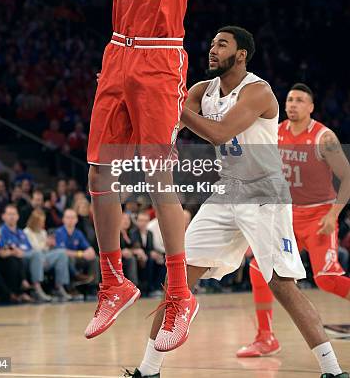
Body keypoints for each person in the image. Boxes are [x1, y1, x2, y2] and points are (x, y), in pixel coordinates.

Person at [54, 0, 204, 348]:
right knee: (99, 174)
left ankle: (179, 294)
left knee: (159, 178)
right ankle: (114, 281)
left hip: (161, 60)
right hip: (117, 54)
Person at [127, 27, 348, 378]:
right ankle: (147, 370)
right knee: (178, 278)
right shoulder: (202, 90)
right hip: (227, 191)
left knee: (281, 285)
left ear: (241, 53)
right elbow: (171, 121)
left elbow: (217, 132)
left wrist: (172, 103)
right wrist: (136, 93)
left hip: (265, 195)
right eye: (212, 43)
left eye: (222, 44)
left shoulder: (258, 91)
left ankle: (332, 370)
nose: (212, 49)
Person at [237, 83, 350, 357]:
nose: (292, 104)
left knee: (326, 278)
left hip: (318, 216)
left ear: (311, 107)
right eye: (289, 100)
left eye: (300, 100)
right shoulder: (275, 132)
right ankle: (265, 337)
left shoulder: (324, 137)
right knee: (258, 270)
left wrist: (333, 214)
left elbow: (347, 177)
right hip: (284, 216)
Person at [0, 204, 51, 302]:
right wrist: (13, 252)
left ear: (18, 216)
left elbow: (29, 248)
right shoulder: (1, 231)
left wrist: (22, 252)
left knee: (37, 254)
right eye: (9, 214)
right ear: (3, 216)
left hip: (25, 257)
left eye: (14, 214)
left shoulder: (21, 232)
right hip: (12, 259)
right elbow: (2, 249)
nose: (12, 217)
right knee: (36, 254)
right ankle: (36, 287)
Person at [24, 209, 72, 301]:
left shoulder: (43, 232)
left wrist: (49, 245)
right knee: (37, 254)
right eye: (41, 222)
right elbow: (34, 248)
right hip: (33, 258)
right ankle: (36, 288)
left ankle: (59, 286)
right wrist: (45, 244)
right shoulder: (27, 232)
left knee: (61, 253)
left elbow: (45, 249)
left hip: (44, 255)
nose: (43, 224)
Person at [55, 208, 97, 286]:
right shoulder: (59, 232)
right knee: (68, 258)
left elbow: (88, 247)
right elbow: (62, 251)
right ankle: (75, 278)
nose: (70, 220)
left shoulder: (78, 233)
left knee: (94, 258)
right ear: (63, 219)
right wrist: (81, 254)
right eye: (68, 217)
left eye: (72, 217)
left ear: (76, 220)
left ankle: (93, 285)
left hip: (76, 258)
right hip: (65, 258)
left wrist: (90, 252)